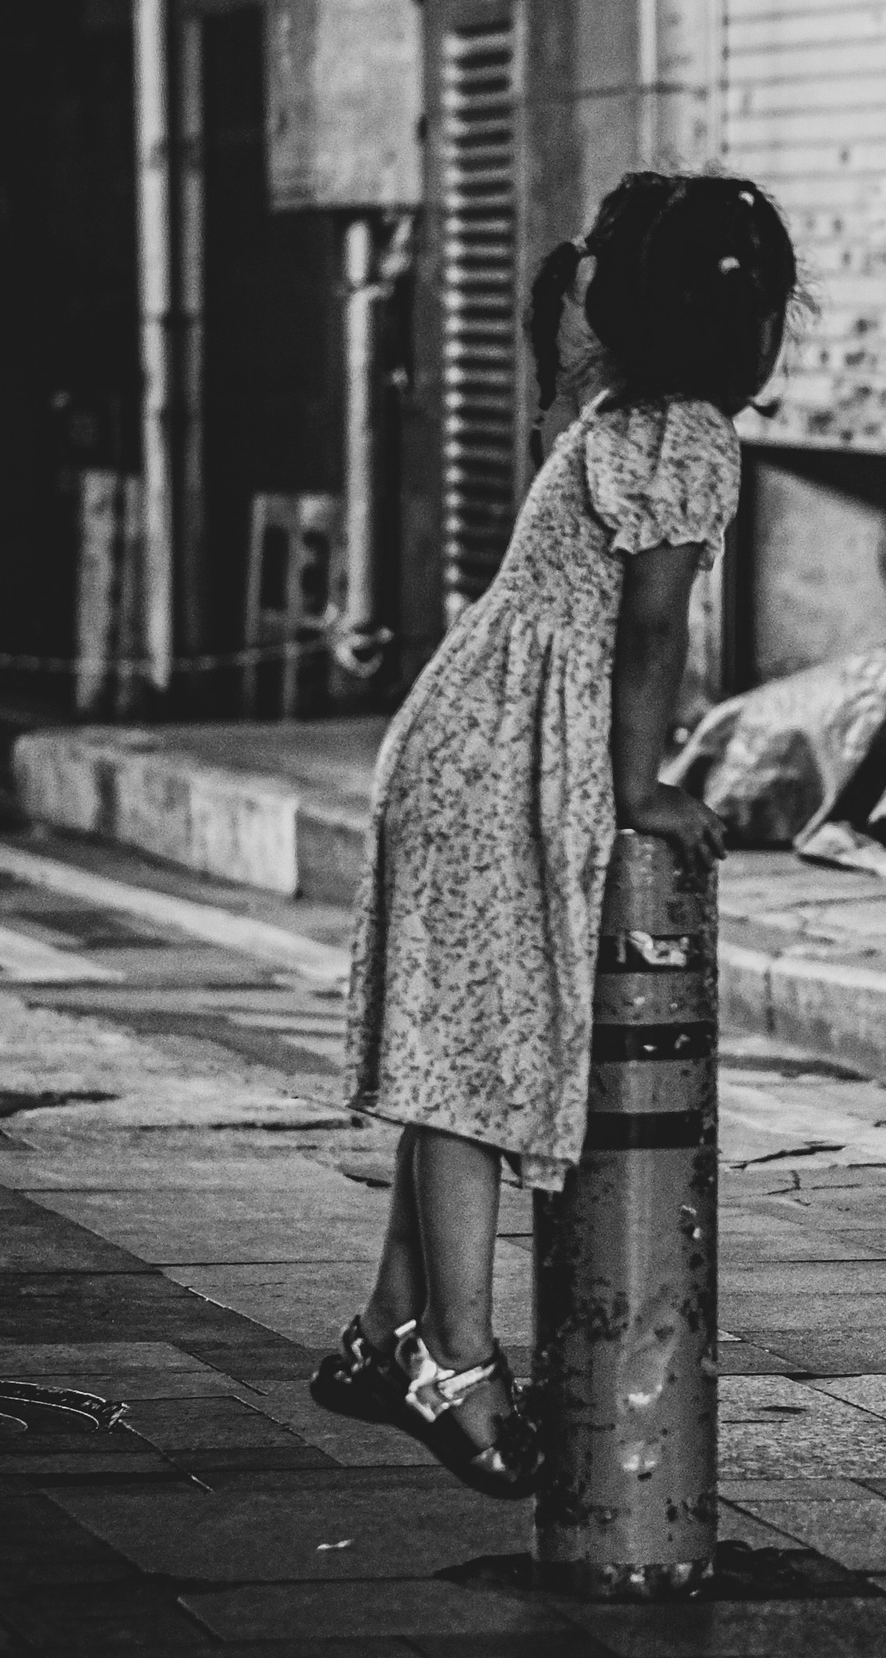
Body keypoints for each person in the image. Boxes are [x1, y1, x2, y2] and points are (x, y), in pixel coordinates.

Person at [314, 171, 796, 1495]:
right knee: (474, 1064)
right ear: (754, 333)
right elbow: (653, 631)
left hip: (469, 740)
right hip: (503, 758)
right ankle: (454, 1365)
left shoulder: (618, 405)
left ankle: (383, 1332)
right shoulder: (686, 432)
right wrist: (642, 787)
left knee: (457, 1046)